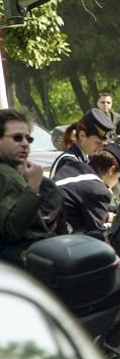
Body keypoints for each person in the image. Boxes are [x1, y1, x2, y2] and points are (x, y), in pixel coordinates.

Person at [0, 108, 58, 268]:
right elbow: (12, 229)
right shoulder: (4, 176)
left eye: (28, 138)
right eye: (17, 138)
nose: (25, 143)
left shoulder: (11, 172)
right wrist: (33, 186)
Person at [50, 143, 120, 239]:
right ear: (112, 170)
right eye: (118, 178)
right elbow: (97, 237)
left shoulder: (74, 167)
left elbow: (79, 204)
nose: (116, 184)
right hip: (54, 242)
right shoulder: (99, 190)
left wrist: (107, 216)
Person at [50, 108, 114, 177]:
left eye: (103, 143)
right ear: (82, 135)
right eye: (97, 143)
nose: (101, 147)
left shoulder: (84, 159)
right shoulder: (70, 162)